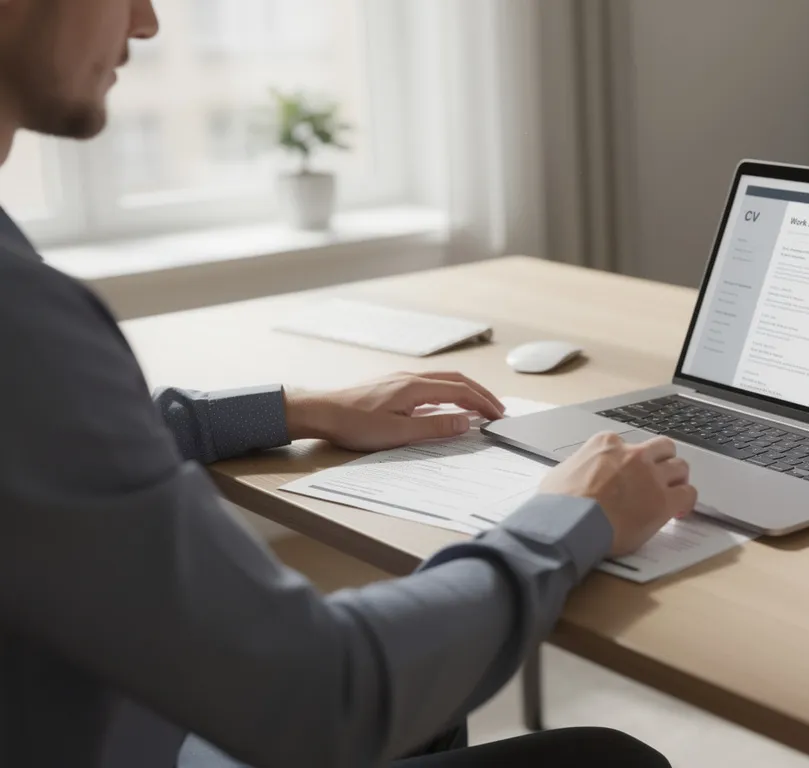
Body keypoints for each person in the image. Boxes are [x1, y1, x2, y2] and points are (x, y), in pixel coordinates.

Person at [0, 1, 694, 766]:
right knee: (608, 761)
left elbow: (50, 445)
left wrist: (300, 409)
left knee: (431, 696)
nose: (145, 21)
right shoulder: (22, 317)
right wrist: (567, 520)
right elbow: (326, 694)